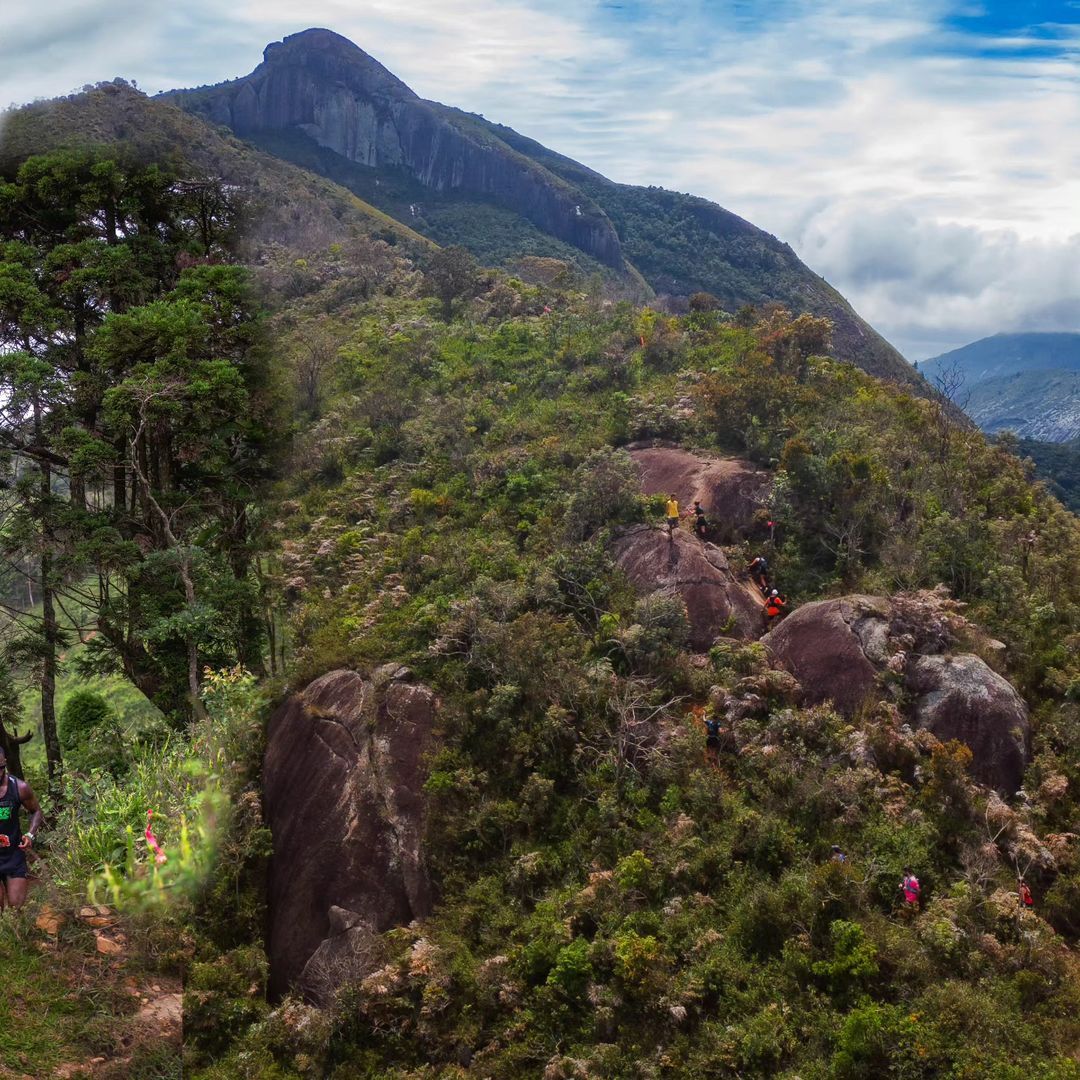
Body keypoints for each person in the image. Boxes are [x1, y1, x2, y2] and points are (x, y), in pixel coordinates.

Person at [0, 749, 43, 911]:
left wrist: (30, 834)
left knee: (15, 909)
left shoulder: (19, 787)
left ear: (4, 764)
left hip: (13, 855)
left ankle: (18, 935)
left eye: (0, 768)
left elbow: (36, 811)